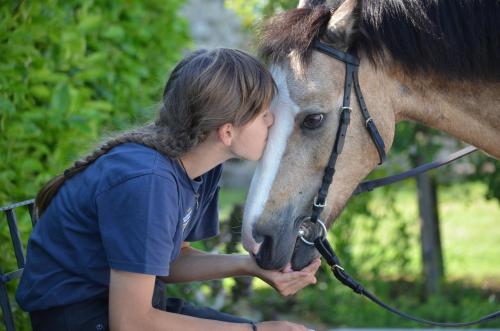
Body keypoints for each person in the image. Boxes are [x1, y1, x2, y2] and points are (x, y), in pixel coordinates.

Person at [16, 48, 321, 331]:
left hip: (125, 308)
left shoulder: (201, 169)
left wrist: (251, 266)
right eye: (263, 112)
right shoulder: (148, 181)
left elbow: (170, 260)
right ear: (227, 132)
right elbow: (131, 322)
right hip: (82, 319)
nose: (273, 121)